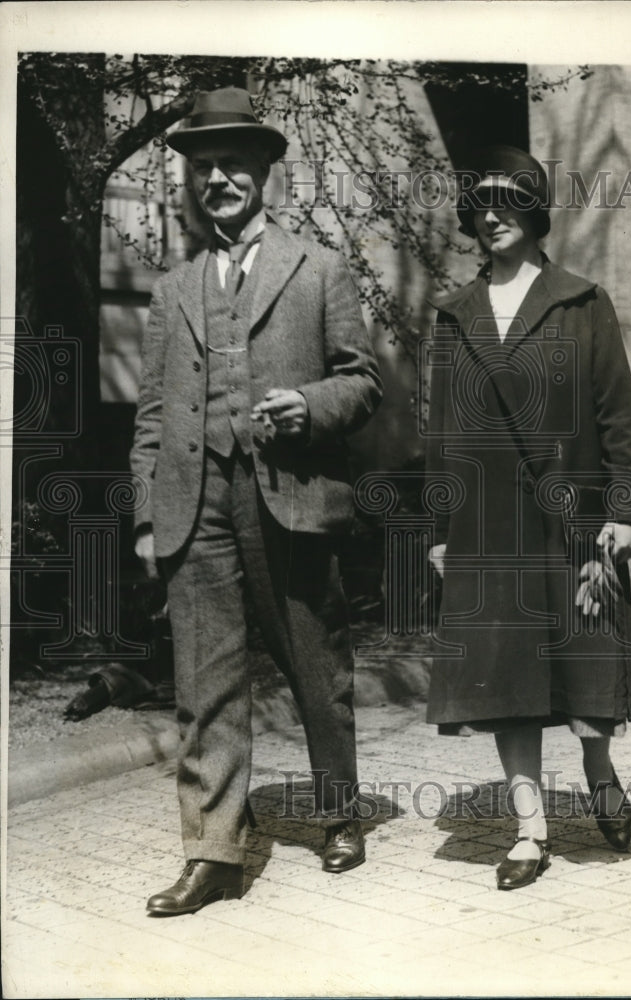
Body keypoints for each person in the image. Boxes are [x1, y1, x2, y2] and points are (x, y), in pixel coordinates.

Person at [129, 87, 382, 915]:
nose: (217, 180)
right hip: (191, 503)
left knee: (316, 667)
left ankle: (338, 813)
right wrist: (144, 517)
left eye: (233, 164)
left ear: (265, 171)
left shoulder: (319, 269)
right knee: (204, 685)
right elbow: (154, 418)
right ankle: (214, 853)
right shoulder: (172, 292)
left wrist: (309, 406)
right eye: (202, 168)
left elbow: (363, 381)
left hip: (292, 492)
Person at [425, 146, 631, 890]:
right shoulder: (454, 316)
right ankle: (529, 833)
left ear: (532, 212)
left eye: (507, 202)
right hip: (488, 528)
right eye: (479, 204)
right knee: (505, 681)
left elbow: (618, 417)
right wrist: (436, 530)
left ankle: (597, 766)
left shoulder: (580, 302)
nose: (490, 215)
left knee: (583, 670)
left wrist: (625, 511)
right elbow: (441, 435)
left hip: (571, 520)